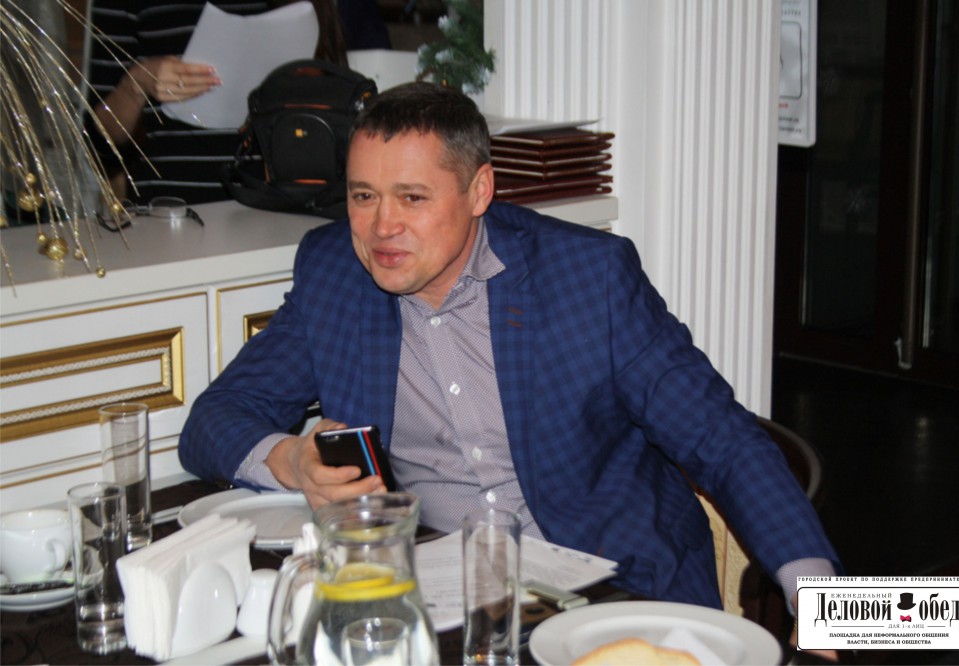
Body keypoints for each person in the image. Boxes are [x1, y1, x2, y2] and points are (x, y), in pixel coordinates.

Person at [179, 82, 839, 609]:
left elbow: (723, 441)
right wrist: (292, 460)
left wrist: (827, 607)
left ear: (479, 191)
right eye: (363, 196)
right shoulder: (334, 276)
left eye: (412, 197)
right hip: (439, 596)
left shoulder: (589, 278)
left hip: (610, 589)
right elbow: (212, 422)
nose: (382, 226)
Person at [87, 0, 349, 205]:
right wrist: (136, 84)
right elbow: (98, 137)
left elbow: (337, 95)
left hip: (282, 203)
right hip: (173, 207)